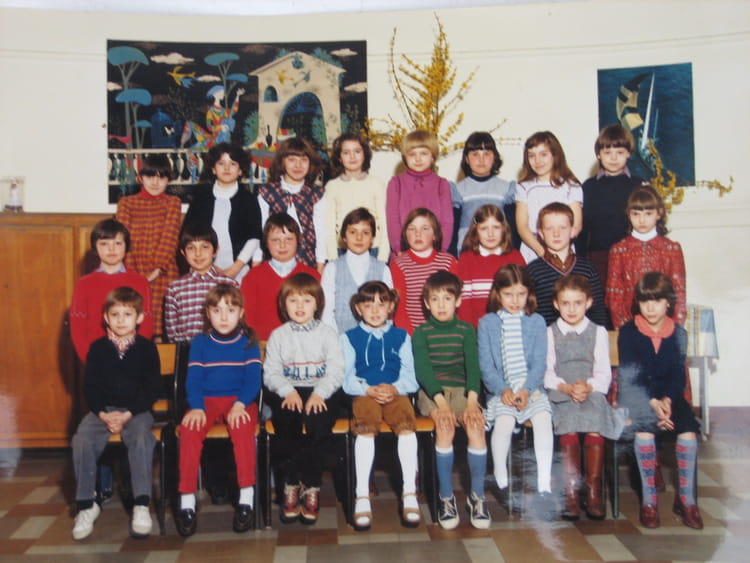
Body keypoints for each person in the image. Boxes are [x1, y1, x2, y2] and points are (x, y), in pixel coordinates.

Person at [71, 287, 160, 540]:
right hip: (103, 411)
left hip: (136, 411)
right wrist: (102, 414)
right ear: (106, 318)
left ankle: (141, 504)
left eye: (127, 314)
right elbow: (90, 387)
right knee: (82, 439)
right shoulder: (98, 348)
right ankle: (87, 505)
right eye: (115, 314)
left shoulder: (146, 348)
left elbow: (152, 389)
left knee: (141, 438)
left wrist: (129, 413)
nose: (121, 320)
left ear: (139, 318)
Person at [617, 272, 702, 530]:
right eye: (645, 301)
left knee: (688, 433)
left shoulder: (678, 333)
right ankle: (649, 501)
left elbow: (678, 376)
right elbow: (630, 376)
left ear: (669, 303)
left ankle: (686, 500)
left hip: (670, 398)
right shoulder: (629, 332)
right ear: (638, 303)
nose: (650, 308)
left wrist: (666, 400)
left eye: (657, 301)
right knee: (644, 432)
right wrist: (653, 403)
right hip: (639, 397)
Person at [175, 284, 262, 536]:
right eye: (217, 310)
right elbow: (193, 380)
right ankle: (186, 501)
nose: (224, 317)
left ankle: (246, 498)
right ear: (207, 313)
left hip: (239, 400)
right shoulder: (200, 343)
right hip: (207, 400)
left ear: (241, 313)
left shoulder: (249, 342)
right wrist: (196, 407)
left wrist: (240, 404)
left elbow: (253, 380)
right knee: (189, 429)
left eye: (230, 310)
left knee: (242, 428)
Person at [263, 273, 344, 525]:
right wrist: (287, 391)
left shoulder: (328, 334)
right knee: (287, 423)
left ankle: (311, 485)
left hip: (321, 390)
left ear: (317, 304)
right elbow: (271, 373)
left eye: (306, 300)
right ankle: (291, 482)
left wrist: (319, 393)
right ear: (283, 304)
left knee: (318, 424)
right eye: (293, 300)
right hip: (289, 390)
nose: (299, 306)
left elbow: (336, 371)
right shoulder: (278, 335)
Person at [543, 275, 625, 520]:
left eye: (577, 303)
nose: (571, 309)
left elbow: (603, 373)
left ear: (588, 303)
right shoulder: (550, 332)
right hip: (562, 392)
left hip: (591, 391)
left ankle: (593, 490)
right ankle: (570, 492)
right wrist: (566, 387)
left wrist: (588, 387)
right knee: (568, 421)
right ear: (556, 304)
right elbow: (547, 373)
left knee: (595, 420)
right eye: (565, 303)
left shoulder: (598, 332)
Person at [413, 271, 490, 530]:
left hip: (462, 390)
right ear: (426, 303)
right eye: (435, 299)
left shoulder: (466, 330)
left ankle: (477, 496)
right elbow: (424, 372)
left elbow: (473, 369)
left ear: (458, 301)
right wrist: (442, 406)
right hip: (432, 392)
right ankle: (446, 497)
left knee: (475, 426)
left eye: (447, 299)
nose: (441, 305)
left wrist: (472, 402)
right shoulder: (421, 333)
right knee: (444, 427)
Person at [477, 264, 554, 520]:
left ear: (529, 294)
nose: (515, 301)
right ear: (497, 294)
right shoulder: (487, 323)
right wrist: (503, 390)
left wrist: (527, 389)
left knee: (543, 420)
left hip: (531, 389)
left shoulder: (536, 321)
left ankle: (544, 483)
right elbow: (486, 366)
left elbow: (540, 364)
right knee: (504, 422)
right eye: (508, 294)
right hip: (502, 390)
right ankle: (501, 477)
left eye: (521, 294)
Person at [341, 281, 420, 530]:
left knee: (406, 425)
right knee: (365, 428)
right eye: (368, 305)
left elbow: (411, 376)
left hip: (396, 392)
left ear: (391, 307)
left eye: (381, 304)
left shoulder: (402, 336)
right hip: (365, 393)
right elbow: (346, 378)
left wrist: (395, 388)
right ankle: (362, 495)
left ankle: (409, 493)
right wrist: (367, 389)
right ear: (358, 308)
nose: (375, 310)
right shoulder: (349, 338)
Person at [70, 218, 154, 363]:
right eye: (104, 244)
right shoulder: (84, 284)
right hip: (96, 361)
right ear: (95, 247)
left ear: (126, 246)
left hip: (132, 360)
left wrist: (133, 358)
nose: (111, 249)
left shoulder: (140, 282)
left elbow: (146, 326)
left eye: (118, 243)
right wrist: (91, 361)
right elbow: (77, 330)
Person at [116, 154, 181, 338]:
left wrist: (157, 270)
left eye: (161, 177)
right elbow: (123, 240)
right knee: (133, 324)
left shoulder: (172, 203)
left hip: (164, 273)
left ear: (168, 180)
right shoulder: (127, 203)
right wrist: (133, 274)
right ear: (141, 177)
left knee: (161, 330)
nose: (155, 182)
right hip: (133, 270)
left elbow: (170, 237)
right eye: (150, 176)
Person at [606, 185, 687, 329]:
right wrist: (626, 330)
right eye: (636, 214)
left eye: (648, 214)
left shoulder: (671, 249)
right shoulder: (619, 250)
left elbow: (678, 293)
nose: (642, 220)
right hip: (630, 326)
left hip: (664, 327)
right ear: (628, 214)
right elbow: (614, 296)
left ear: (659, 214)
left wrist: (672, 329)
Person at [181, 142, 262, 282]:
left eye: (232, 164)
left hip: (239, 269)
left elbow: (254, 237)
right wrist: (209, 267)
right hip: (202, 266)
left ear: (240, 170)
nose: (226, 168)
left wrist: (235, 269)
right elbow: (189, 234)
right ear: (213, 169)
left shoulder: (248, 200)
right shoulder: (201, 197)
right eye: (221, 163)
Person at [579, 124, 645, 283]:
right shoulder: (588, 187)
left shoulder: (639, 185)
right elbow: (582, 229)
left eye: (620, 152)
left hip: (632, 254)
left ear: (629, 153)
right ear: (598, 154)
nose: (614, 158)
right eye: (607, 152)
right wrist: (581, 262)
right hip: (599, 257)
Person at [240, 212, 320, 341]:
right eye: (275, 240)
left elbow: (318, 316)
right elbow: (247, 319)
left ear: (298, 240)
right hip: (263, 343)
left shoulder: (312, 275)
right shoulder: (253, 276)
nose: (282, 245)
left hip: (303, 343)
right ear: (266, 243)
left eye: (288, 239)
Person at [526, 202, 608, 327]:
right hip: (547, 336)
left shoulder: (588, 268)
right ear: (541, 233)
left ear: (572, 231)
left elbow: (598, 312)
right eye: (549, 228)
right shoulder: (532, 270)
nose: (556, 234)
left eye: (562, 228)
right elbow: (529, 313)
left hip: (584, 337)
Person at [255, 137, 326, 271]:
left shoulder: (316, 194)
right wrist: (256, 263)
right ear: (282, 162)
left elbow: (321, 233)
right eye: (292, 160)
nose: (298, 165)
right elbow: (261, 231)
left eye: (303, 160)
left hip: (307, 259)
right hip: (274, 257)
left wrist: (320, 266)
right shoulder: (267, 192)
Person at [321, 207, 392, 333]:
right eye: (353, 232)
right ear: (344, 236)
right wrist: (336, 340)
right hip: (339, 338)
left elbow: (388, 311)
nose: (359, 238)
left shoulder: (383, 270)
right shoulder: (332, 269)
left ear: (372, 238)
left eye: (365, 233)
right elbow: (326, 312)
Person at [515, 131, 582, 264]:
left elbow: (576, 225)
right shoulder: (524, 187)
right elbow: (522, 227)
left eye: (543, 154)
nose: (537, 161)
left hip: (563, 248)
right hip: (533, 249)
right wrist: (542, 252)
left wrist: (557, 251)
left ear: (555, 155)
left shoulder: (571, 186)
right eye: (531, 156)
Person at [164, 226, 238, 344]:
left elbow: (236, 323)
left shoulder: (230, 285)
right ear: (183, 252)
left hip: (221, 348)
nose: (198, 253)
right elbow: (172, 332)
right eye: (191, 248)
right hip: (187, 350)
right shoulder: (174, 288)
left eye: (205, 247)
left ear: (215, 251)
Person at [391, 208, 459, 333]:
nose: (418, 234)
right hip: (414, 334)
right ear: (405, 235)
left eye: (425, 228)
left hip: (445, 333)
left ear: (435, 235)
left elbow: (456, 302)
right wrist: (412, 337)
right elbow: (399, 309)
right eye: (412, 229)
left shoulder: (449, 262)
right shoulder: (398, 265)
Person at [457, 204, 525, 328]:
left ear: (504, 229)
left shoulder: (515, 257)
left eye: (496, 227)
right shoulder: (466, 259)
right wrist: (471, 331)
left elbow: (523, 297)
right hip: (477, 329)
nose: (490, 234)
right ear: (475, 231)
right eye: (484, 228)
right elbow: (464, 304)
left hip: (512, 328)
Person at [386, 130, 453, 255]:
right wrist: (398, 248)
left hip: (434, 252)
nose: (418, 159)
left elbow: (447, 221)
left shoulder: (441, 184)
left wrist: (441, 249)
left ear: (432, 157)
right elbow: (392, 220)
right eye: (412, 154)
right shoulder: (396, 183)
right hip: (404, 252)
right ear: (405, 157)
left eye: (423, 153)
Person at [325, 133, 389, 262]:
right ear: (339, 157)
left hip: (373, 249)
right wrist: (333, 258)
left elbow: (384, 223)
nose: (352, 156)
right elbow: (328, 226)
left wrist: (383, 255)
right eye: (346, 153)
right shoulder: (332, 186)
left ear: (365, 154)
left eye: (357, 151)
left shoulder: (376, 183)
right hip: (342, 250)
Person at [452, 131, 516, 251]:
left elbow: (512, 228)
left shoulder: (506, 188)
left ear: (494, 157)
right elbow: (453, 228)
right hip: (468, 250)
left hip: (498, 250)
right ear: (466, 159)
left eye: (486, 154)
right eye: (475, 154)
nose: (481, 160)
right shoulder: (458, 190)